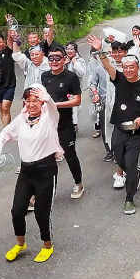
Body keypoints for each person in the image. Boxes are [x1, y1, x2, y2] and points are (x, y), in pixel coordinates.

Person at [86, 34, 140, 215]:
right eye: (125, 67)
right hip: (119, 127)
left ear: (137, 68)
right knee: (118, 158)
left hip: (136, 132)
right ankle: (133, 174)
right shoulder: (118, 79)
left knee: (131, 163)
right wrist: (100, 50)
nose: (127, 70)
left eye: (131, 67)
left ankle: (129, 199)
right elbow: (108, 66)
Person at [0, 85, 64, 263]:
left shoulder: (49, 117)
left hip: (46, 170)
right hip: (26, 171)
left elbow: (54, 109)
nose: (31, 104)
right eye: (28, 101)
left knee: (41, 212)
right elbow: (6, 132)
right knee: (17, 210)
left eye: (35, 100)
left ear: (42, 102)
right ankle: (20, 243)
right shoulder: (22, 118)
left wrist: (47, 98)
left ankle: (47, 245)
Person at [41, 45, 84, 198]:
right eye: (51, 58)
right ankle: (44, 190)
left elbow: (77, 100)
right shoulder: (44, 76)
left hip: (65, 123)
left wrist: (57, 105)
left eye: (57, 58)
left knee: (70, 155)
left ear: (64, 60)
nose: (54, 61)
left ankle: (78, 183)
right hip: (47, 124)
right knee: (46, 158)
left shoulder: (71, 77)